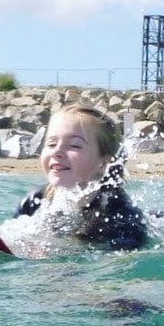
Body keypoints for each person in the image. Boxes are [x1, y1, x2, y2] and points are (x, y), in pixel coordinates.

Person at [15, 104, 148, 250]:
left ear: (104, 163)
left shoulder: (124, 219)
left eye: (74, 145)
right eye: (51, 144)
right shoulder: (33, 202)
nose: (57, 151)